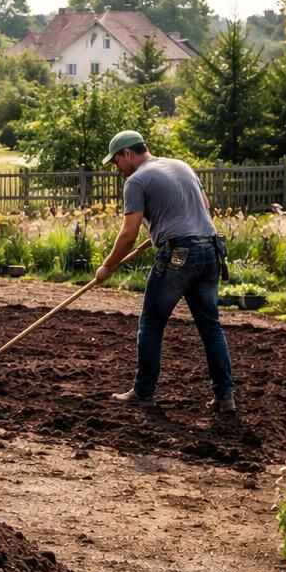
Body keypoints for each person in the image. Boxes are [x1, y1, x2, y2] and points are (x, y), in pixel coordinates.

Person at [94, 130, 236, 413]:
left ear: (128, 154)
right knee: (211, 327)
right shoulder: (181, 165)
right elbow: (204, 208)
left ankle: (143, 393)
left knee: (151, 323)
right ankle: (225, 396)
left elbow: (128, 235)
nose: (117, 168)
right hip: (210, 249)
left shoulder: (136, 181)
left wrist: (107, 266)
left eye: (116, 162)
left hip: (180, 255)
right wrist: (161, 229)